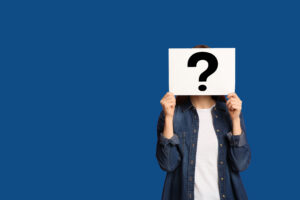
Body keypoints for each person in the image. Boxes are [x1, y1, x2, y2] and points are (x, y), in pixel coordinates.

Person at [156, 45, 251, 200]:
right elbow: (167, 164)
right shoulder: (173, 114)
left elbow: (240, 164)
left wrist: (235, 120)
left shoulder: (229, 113)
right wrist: (168, 118)